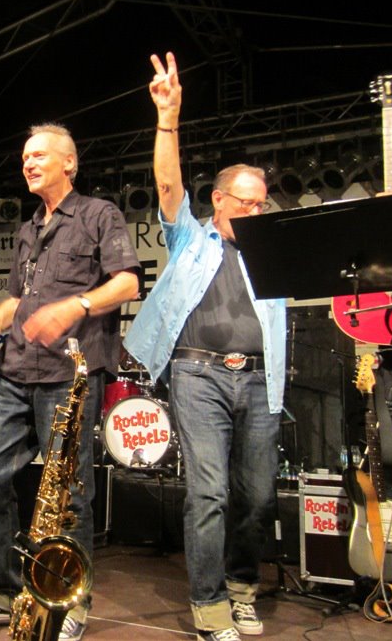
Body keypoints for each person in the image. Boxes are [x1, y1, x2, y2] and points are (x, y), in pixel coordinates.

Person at [0, 123, 141, 641]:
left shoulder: (99, 214)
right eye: (24, 157)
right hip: (16, 370)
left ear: (69, 163)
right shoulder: (28, 228)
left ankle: (70, 601)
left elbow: (127, 282)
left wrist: (76, 305)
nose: (27, 163)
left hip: (68, 375)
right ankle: (3, 591)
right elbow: (17, 298)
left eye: (38, 155)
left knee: (69, 492)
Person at [124, 52, 286, 641]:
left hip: (262, 379)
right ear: (218, 200)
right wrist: (167, 118)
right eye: (246, 202)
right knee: (210, 491)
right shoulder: (191, 238)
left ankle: (241, 587)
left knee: (258, 497)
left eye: (262, 203)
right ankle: (210, 606)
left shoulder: (273, 248)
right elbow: (168, 185)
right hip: (199, 375)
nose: (256, 210)